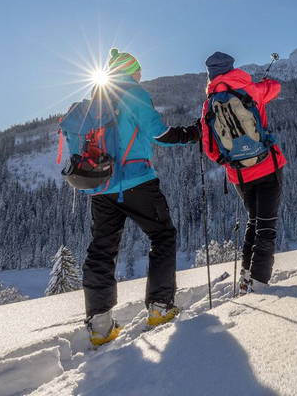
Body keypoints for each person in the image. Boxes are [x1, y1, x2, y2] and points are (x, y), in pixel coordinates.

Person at [68, 48, 199, 347]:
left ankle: (100, 326)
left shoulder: (95, 102)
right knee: (163, 236)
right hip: (137, 181)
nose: (141, 76)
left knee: (102, 249)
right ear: (131, 71)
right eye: (138, 71)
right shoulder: (134, 93)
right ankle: (160, 307)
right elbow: (159, 132)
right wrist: (191, 134)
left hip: (101, 186)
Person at [198, 51, 286, 294]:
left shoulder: (209, 105)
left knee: (253, 222)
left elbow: (210, 149)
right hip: (268, 166)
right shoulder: (251, 89)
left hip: (240, 176)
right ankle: (259, 285)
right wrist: (258, 84)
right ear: (231, 67)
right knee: (266, 227)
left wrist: (232, 162)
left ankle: (247, 276)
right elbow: (276, 87)